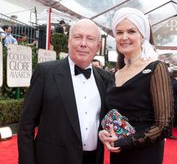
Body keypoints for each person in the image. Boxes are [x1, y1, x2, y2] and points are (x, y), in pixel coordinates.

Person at [17, 19, 110, 164]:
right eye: (78, 37)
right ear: (68, 41)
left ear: (97, 46)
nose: (83, 43)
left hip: (92, 159)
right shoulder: (45, 72)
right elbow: (26, 124)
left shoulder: (105, 78)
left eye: (90, 39)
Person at [99, 7, 173, 164]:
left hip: (146, 154)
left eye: (131, 31)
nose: (124, 37)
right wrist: (103, 133)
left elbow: (164, 126)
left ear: (142, 35)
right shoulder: (115, 74)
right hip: (118, 153)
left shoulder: (156, 67)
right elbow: (108, 114)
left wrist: (126, 142)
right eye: (119, 32)